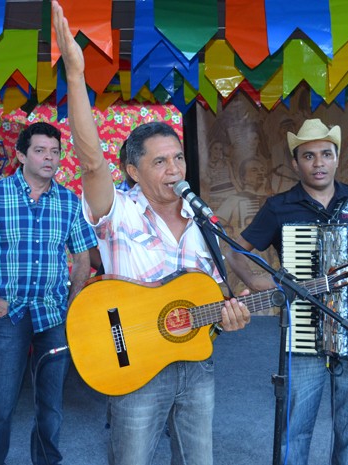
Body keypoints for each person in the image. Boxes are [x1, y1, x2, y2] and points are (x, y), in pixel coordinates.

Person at [52, 2, 251, 464]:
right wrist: (77, 77)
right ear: (133, 171)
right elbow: (89, 159)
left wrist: (230, 310)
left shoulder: (203, 219)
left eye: (178, 158)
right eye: (159, 161)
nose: (173, 168)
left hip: (197, 365)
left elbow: (215, 289)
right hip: (133, 366)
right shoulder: (116, 210)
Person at [227, 118, 348, 465]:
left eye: (326, 154)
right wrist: (255, 282)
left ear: (336, 158)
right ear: (296, 163)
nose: (318, 163)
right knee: (295, 429)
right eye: (309, 156)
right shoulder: (279, 206)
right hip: (302, 333)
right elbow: (236, 252)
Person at [0, 121, 98, 465]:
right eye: (40, 151)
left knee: (51, 405)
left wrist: (71, 304)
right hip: (7, 313)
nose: (49, 158)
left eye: (55, 152)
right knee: (0, 404)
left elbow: (83, 257)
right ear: (22, 155)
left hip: (54, 315)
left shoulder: (69, 201)